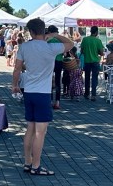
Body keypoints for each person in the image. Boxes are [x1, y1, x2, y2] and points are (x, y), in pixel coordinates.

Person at [12, 18, 74, 176]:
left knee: (30, 129)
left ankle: (27, 162)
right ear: (43, 31)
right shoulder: (51, 47)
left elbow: (17, 68)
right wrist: (54, 34)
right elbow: (70, 44)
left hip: (29, 91)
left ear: (30, 32)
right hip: (43, 93)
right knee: (41, 132)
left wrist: (15, 85)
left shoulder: (24, 47)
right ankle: (36, 165)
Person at [79, 26, 104, 101]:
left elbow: (82, 51)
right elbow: (102, 53)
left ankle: (86, 94)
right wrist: (97, 52)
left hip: (87, 61)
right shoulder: (98, 41)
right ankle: (93, 95)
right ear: (96, 32)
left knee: (87, 78)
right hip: (95, 61)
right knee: (94, 78)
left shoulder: (85, 39)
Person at [47, 25, 66, 110]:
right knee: (58, 82)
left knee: (49, 81)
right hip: (59, 61)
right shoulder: (60, 41)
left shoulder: (47, 41)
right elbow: (64, 53)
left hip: (50, 62)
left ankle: (50, 101)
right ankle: (57, 102)